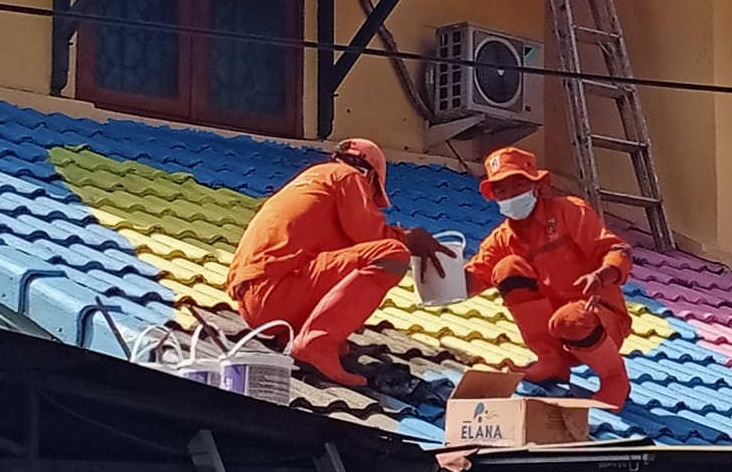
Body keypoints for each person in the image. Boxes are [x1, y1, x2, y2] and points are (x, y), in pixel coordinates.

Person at [227, 138, 450, 386]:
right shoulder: (347, 177)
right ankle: (316, 345)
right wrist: (409, 238)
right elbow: (371, 234)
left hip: (258, 304)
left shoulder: (313, 183)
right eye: (372, 199)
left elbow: (339, 266)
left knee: (364, 258)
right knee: (392, 253)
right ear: (370, 178)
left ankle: (313, 339)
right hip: (276, 293)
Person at [463, 147, 633, 411]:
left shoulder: (569, 211)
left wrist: (601, 275)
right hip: (552, 326)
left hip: (598, 318)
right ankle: (551, 360)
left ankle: (614, 378)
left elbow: (616, 250)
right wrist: (430, 266)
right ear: (494, 197)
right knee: (507, 267)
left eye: (518, 185)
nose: (510, 195)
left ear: (536, 186)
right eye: (502, 191)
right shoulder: (500, 240)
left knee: (570, 319)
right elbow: (470, 279)